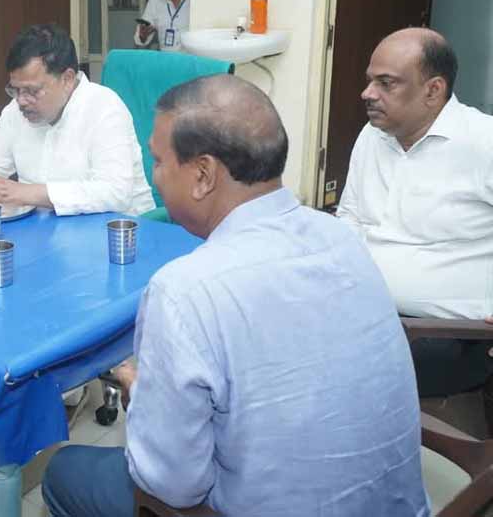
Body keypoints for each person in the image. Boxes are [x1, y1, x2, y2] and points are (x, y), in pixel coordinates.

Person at [41, 74, 427, 517]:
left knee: (66, 470)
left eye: (159, 161)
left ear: (202, 175)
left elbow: (171, 484)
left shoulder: (184, 290)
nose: (155, 176)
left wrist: (144, 396)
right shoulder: (340, 237)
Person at [337, 27, 493, 397]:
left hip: (448, 333)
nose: (367, 93)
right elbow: (350, 218)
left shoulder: (483, 142)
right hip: (364, 311)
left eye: (386, 83)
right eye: (369, 81)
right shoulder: (372, 136)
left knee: (327, 371)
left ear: (433, 90)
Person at [0, 24, 154, 216]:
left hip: (119, 228)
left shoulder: (105, 107)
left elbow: (115, 193)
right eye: (15, 90)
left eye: (32, 91)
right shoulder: (15, 110)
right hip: (45, 226)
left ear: (67, 79)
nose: (21, 101)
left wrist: (25, 193)